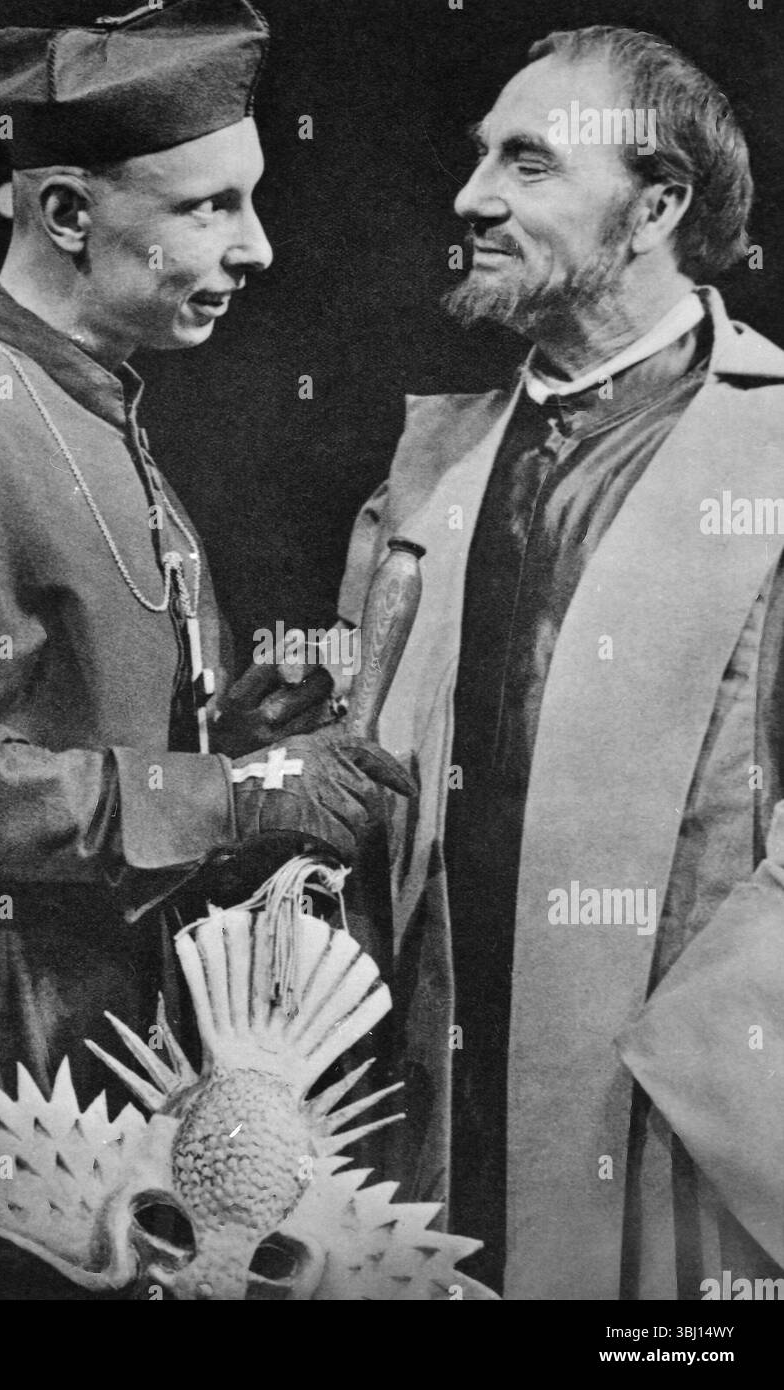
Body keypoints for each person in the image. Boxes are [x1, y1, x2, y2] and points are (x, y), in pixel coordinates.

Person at [0, 0, 410, 1188]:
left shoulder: (94, 400)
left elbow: (52, 727)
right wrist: (228, 795)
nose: (255, 249)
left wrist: (223, 737)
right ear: (65, 213)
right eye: (212, 207)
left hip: (91, 1034)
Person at [336, 25, 784, 1299]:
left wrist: (718, 1057)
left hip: (684, 1125)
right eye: (480, 158)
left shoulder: (773, 451)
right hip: (430, 1095)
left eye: (528, 164)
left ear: (655, 206)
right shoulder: (431, 468)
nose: (471, 197)